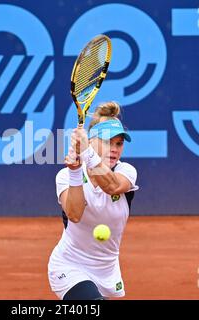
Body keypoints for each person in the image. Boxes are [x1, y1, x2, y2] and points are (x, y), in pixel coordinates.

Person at [48, 101, 139, 300]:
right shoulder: (64, 176)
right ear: (92, 140)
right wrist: (74, 172)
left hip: (108, 273)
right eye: (108, 142)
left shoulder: (126, 171)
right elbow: (74, 214)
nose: (115, 149)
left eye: (119, 143)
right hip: (70, 266)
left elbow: (112, 186)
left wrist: (87, 153)